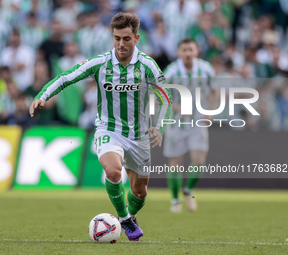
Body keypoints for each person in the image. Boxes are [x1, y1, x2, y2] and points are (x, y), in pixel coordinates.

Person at [29, 12, 172, 241]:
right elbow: (67, 77)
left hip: (139, 135)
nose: (121, 44)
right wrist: (43, 95)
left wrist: (160, 127)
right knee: (114, 171)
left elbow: (166, 97)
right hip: (109, 128)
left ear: (136, 38)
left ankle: (131, 216)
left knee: (139, 191)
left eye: (126, 39)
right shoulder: (100, 63)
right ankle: (124, 219)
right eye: (116, 38)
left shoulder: (148, 66)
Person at [163, 38, 216, 213]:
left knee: (199, 161)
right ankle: (175, 199)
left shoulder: (206, 70)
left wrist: (211, 111)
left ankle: (188, 190)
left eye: (190, 49)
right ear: (178, 52)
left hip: (198, 121)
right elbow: (159, 97)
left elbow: (214, 92)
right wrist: (177, 107)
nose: (187, 53)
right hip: (176, 123)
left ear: (196, 51)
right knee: (175, 163)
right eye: (184, 50)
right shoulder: (171, 72)